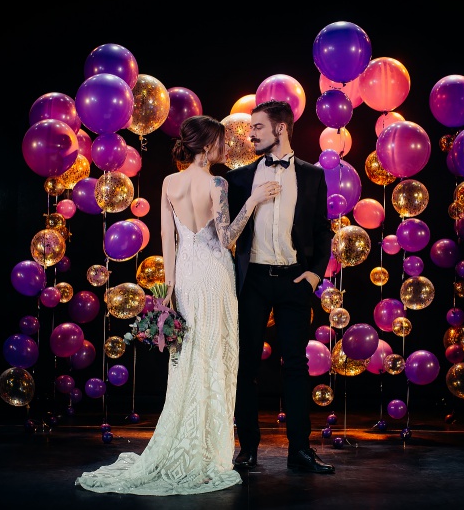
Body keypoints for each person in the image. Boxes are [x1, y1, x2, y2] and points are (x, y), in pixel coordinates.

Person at [75, 115, 277, 495]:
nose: (224, 148)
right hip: (214, 274)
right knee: (214, 354)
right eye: (220, 142)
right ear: (207, 145)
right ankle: (207, 449)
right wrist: (252, 201)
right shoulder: (216, 183)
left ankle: (188, 438)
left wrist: (168, 288)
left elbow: (168, 239)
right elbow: (226, 238)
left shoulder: (170, 182)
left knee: (188, 358)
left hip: (184, 275)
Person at [225, 100, 335, 474]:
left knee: (296, 366)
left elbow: (322, 230)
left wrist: (315, 274)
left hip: (294, 281)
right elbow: (228, 233)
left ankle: (300, 450)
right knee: (246, 365)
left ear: (281, 128)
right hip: (252, 281)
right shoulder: (240, 178)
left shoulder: (313, 176)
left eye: (257, 127)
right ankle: (247, 448)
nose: (251, 134)